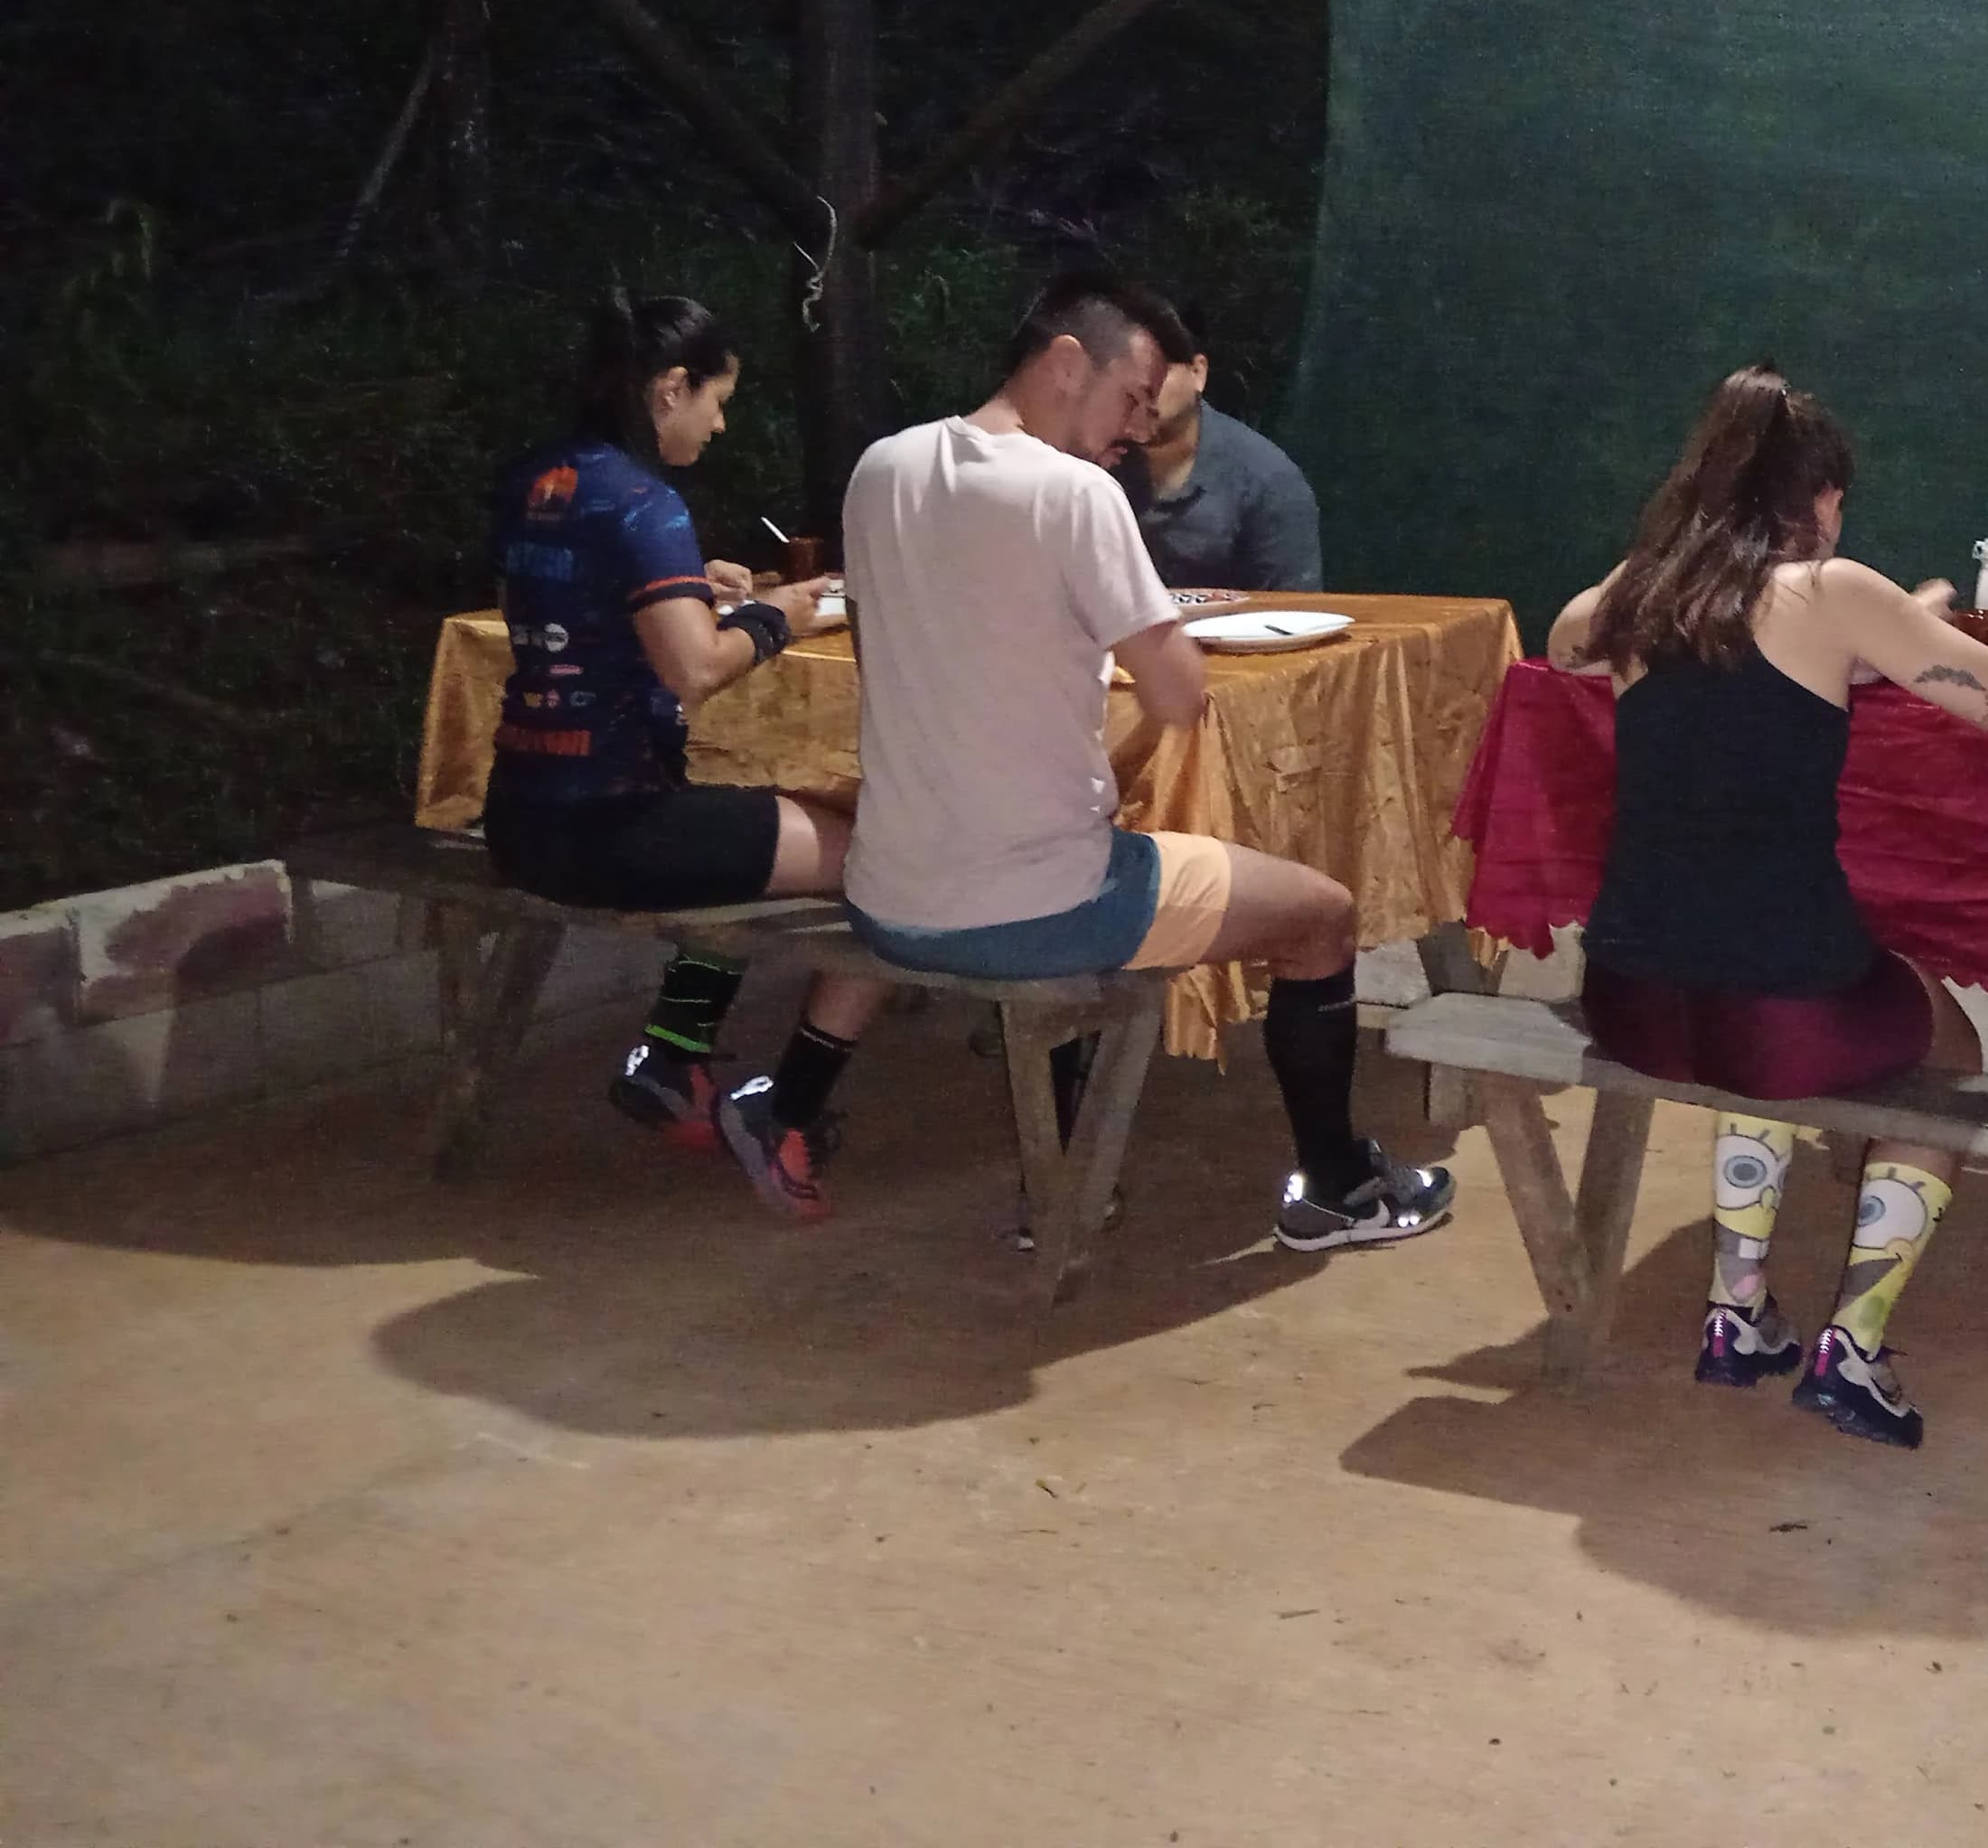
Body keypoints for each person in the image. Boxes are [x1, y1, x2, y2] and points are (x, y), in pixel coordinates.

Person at [818, 270, 1448, 1252]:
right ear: (1067, 363)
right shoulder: (1074, 493)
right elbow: (1180, 697)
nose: (1139, 433)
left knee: (1093, 841)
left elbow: (876, 637)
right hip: (1035, 907)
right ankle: (1337, 1188)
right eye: (1132, 402)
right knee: (1322, 915)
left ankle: (1066, 1180)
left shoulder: (882, 468)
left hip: (884, 892)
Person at [1547, 365, 1988, 1450]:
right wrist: (1902, 625)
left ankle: (1739, 1312)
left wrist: (1863, 632)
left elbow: (1564, 641)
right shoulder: (1833, 592)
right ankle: (1852, 1350)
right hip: (1775, 1014)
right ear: (1817, 503)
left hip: (1628, 999)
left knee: (1755, 994)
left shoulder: (1645, 591)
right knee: (1946, 1047)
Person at [481, 292, 867, 1162]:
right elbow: (692, 672)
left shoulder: (536, 476)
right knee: (883, 854)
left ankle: (674, 1056)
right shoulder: (642, 500)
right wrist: (774, 618)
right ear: (670, 388)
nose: (719, 426)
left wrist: (686, 584)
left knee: (740, 819)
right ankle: (786, 1112)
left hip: (519, 815)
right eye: (717, 402)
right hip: (608, 829)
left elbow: (542, 603)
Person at [1108, 296, 1322, 592]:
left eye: (1159, 371)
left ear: (1198, 372)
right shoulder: (1093, 457)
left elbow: (1295, 615)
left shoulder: (1266, 481)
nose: (1145, 386)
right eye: (1128, 373)